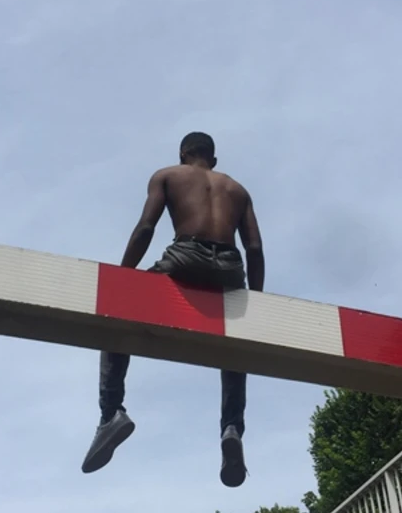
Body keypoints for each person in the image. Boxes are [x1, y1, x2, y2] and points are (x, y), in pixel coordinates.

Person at [81, 131, 265, 488]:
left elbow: (146, 227)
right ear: (213, 159)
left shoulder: (168, 175)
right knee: (236, 343)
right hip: (230, 266)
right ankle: (232, 428)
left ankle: (111, 414)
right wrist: (256, 301)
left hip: (186, 256)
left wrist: (124, 277)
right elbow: (255, 248)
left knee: (118, 312)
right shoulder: (238, 190)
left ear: (183, 154)